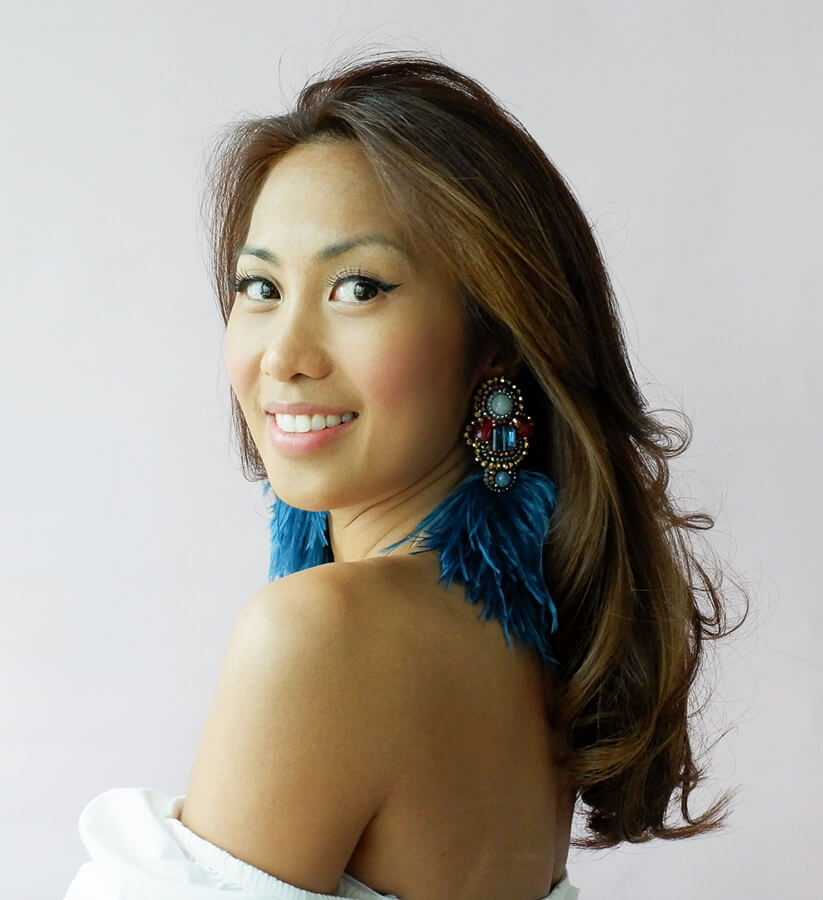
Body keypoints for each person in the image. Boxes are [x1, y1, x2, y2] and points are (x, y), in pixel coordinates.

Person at [64, 50, 743, 900]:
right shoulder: (525, 635)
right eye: (260, 286)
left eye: (357, 287)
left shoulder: (324, 634)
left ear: (491, 334)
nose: (284, 354)